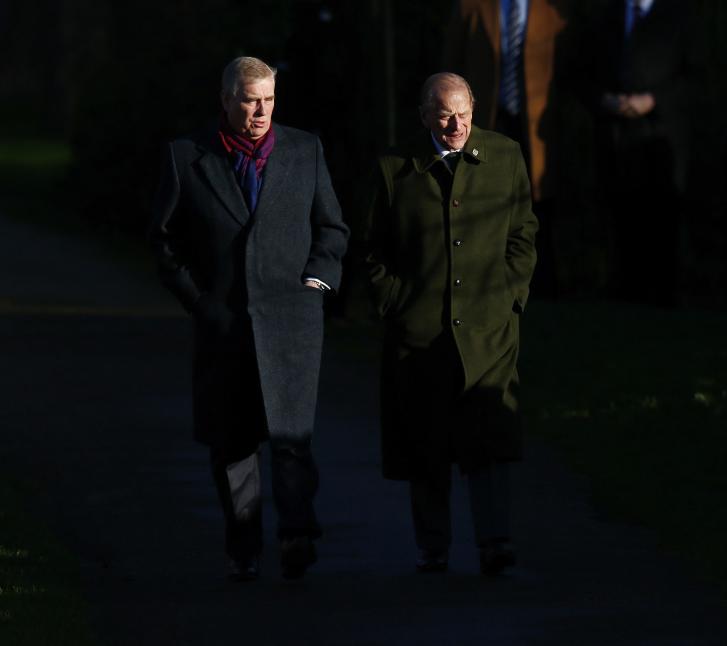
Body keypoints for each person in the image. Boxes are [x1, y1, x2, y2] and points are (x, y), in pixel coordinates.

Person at [149, 56, 349, 580]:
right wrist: (198, 300)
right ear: (225, 99)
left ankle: (297, 533)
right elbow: (163, 241)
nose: (260, 111)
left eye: (268, 100)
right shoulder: (186, 157)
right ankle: (243, 544)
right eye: (248, 99)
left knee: (291, 439)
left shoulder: (304, 150)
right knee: (233, 443)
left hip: (292, 320)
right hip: (225, 323)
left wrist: (318, 281)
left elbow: (332, 228)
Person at [361, 72, 538, 575]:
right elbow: (372, 247)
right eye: (443, 114)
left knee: (489, 436)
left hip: (488, 329)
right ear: (424, 116)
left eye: (464, 112)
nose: (456, 124)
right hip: (419, 332)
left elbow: (523, 232)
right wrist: (395, 300)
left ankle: (495, 543)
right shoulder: (395, 167)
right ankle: (432, 546)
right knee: (425, 444)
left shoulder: (503, 155)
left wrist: (510, 297)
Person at [442, 0, 598, 297]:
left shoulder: (554, 9)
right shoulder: (471, 6)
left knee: (537, 205)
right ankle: (481, 283)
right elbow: (452, 64)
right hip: (486, 120)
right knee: (480, 202)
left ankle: (542, 284)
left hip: (538, 126)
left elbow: (574, 67)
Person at [594, 0, 699, 305]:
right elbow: (582, 73)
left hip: (663, 137)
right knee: (620, 216)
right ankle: (624, 291)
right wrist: (605, 101)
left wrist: (653, 100)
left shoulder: (678, 16)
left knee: (662, 218)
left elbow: (694, 77)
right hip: (615, 137)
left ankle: (664, 295)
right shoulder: (606, 16)